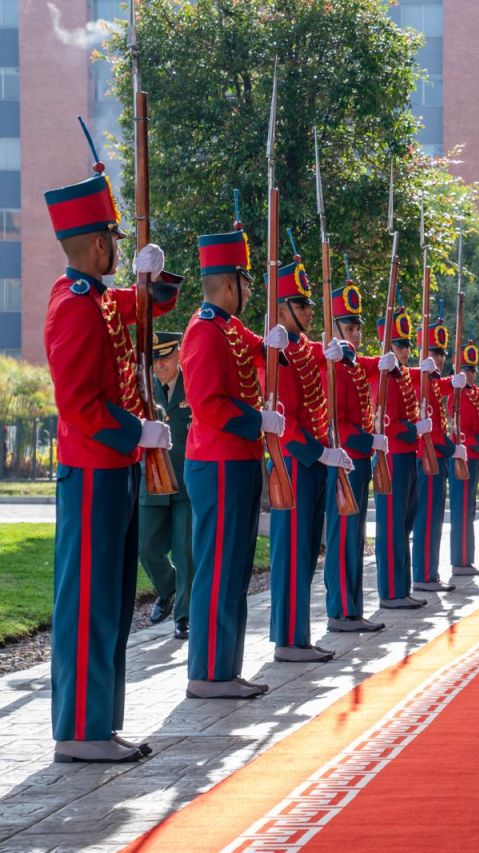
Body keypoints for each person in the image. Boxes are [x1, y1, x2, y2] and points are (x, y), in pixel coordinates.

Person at [43, 142, 179, 762]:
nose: (120, 249)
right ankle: (79, 731)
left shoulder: (94, 297)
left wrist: (155, 279)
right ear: (100, 245)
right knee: (89, 603)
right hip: (94, 470)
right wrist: (135, 432)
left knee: (114, 601)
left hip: (113, 470)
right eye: (117, 241)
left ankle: (99, 723)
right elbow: (79, 405)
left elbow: (141, 306)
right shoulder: (74, 306)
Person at [184, 221, 288, 700]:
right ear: (229, 284)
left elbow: (259, 353)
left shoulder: (229, 328)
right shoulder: (205, 331)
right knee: (218, 571)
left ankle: (224, 669)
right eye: (246, 281)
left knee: (234, 570)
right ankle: (207, 673)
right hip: (219, 462)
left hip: (238, 461)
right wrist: (257, 421)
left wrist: (277, 346)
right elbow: (208, 404)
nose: (250, 290)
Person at [264, 250, 353, 662]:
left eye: (309, 305)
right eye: (301, 305)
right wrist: (321, 454)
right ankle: (288, 639)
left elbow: (328, 355)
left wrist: (343, 352)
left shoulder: (301, 346)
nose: (309, 312)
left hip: (312, 463)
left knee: (306, 554)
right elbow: (286, 421)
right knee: (292, 554)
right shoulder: (279, 350)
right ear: (282, 308)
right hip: (295, 462)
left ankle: (299, 635)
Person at [323, 275, 391, 632]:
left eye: (357, 328)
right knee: (343, 537)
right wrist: (368, 442)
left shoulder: (350, 363)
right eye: (348, 328)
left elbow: (371, 369)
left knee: (355, 537)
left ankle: (351, 609)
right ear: (333, 328)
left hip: (359, 461)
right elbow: (335, 421)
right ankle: (340, 610)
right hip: (345, 462)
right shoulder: (331, 364)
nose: (355, 335)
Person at [138, 332, 194, 641]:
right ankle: (168, 587)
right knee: (146, 548)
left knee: (185, 551)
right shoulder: (144, 388)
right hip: (153, 480)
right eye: (155, 359)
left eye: (166, 358)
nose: (160, 365)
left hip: (186, 482)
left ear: (178, 355)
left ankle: (183, 617)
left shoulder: (192, 384)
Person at [373, 308, 429, 609]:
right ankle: (391, 591)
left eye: (407, 345)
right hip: (393, 457)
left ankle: (401, 588)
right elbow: (389, 424)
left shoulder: (403, 375)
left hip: (408, 456)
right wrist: (414, 429)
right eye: (399, 345)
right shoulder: (383, 377)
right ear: (386, 345)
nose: (405, 350)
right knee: (392, 527)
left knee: (404, 524)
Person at [444, 340, 479, 575]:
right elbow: (462, 432)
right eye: (465, 369)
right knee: (462, 510)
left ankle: (466, 559)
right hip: (463, 459)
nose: (470, 374)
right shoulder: (455, 395)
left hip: (473, 459)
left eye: (472, 370)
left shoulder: (471, 393)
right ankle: (460, 561)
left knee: (469, 509)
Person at [412, 319, 457, 592]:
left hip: (436, 458)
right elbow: (433, 434)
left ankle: (429, 573)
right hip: (427, 458)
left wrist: (456, 382)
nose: (439, 358)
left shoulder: (433, 381)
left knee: (435, 518)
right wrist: (454, 449)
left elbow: (444, 387)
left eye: (441, 353)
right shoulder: (420, 382)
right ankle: (424, 574)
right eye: (434, 352)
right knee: (427, 519)